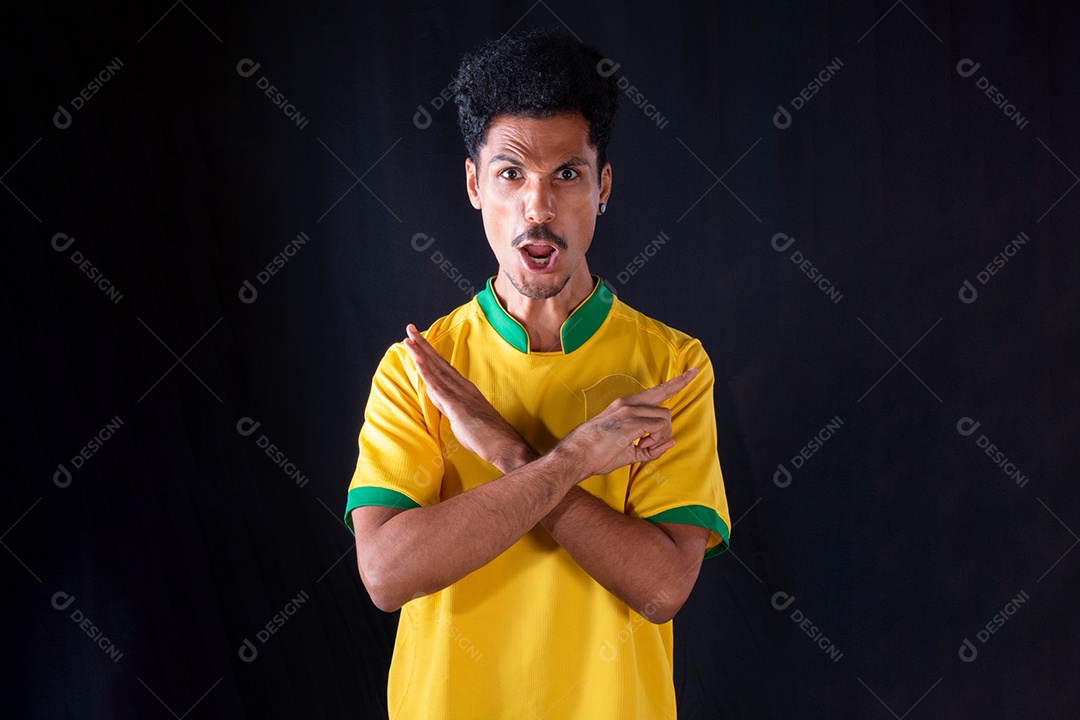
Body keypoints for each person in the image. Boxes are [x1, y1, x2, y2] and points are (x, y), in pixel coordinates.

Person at [344, 28, 730, 720]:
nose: (538, 209)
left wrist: (508, 452)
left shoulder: (673, 366)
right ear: (473, 183)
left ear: (603, 185)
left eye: (567, 175)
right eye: (512, 173)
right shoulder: (421, 370)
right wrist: (578, 456)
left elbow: (663, 586)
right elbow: (387, 573)